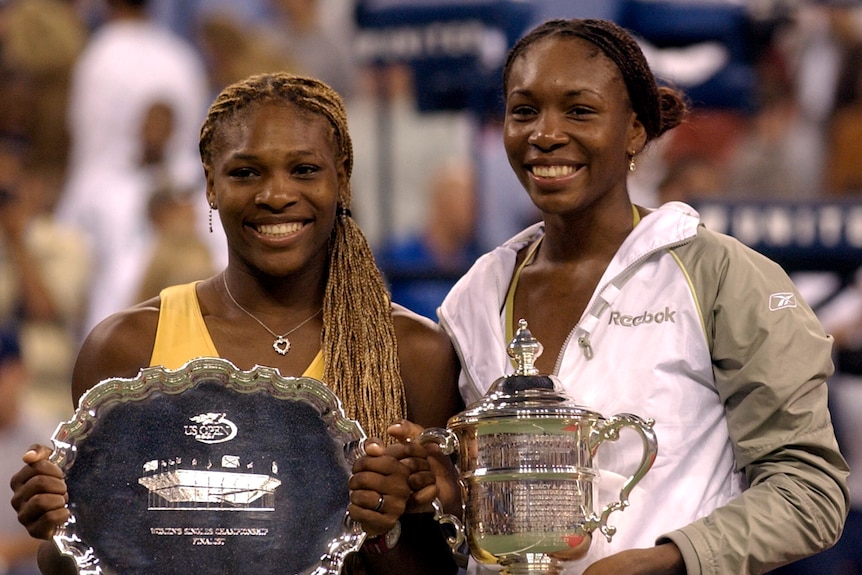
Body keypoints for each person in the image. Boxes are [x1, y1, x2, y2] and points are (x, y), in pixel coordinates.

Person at [437, 18, 849, 575]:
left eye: (579, 110)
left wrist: (673, 559)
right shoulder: (474, 297)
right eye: (524, 111)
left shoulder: (722, 275)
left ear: (634, 131)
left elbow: (810, 492)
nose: (545, 133)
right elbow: (488, 505)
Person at [10, 72, 462, 575]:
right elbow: (82, 560)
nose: (275, 194)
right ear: (210, 185)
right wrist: (56, 525)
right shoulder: (125, 347)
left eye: (305, 170)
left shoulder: (415, 353)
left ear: (343, 180)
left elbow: (441, 566)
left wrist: (382, 530)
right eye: (246, 172)